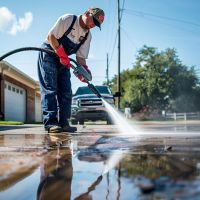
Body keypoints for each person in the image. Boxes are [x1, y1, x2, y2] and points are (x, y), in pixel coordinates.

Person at [37, 8, 105, 133]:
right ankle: (51, 123)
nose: (93, 25)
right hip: (49, 53)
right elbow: (51, 36)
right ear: (87, 13)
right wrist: (61, 54)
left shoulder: (87, 35)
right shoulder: (68, 19)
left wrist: (84, 71)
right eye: (93, 21)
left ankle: (64, 123)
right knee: (50, 89)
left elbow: (81, 58)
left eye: (96, 24)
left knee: (66, 91)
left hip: (64, 59)